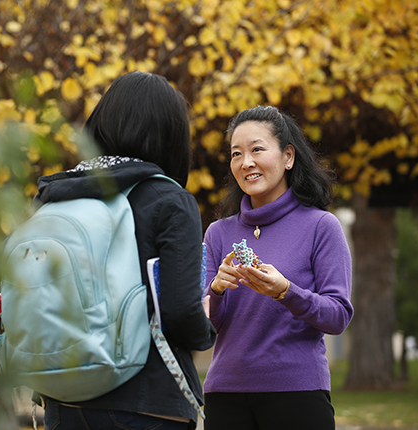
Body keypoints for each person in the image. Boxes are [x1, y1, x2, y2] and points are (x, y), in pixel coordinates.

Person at [34, 71, 217, 429]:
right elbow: (179, 312)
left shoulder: (55, 195)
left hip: (63, 398)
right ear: (170, 135)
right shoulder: (170, 201)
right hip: (146, 401)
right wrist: (205, 326)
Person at [202, 105, 354, 430]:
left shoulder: (321, 226)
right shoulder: (218, 233)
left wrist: (286, 291)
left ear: (288, 156)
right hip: (225, 394)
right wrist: (216, 289)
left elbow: (338, 315)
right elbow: (206, 326)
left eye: (257, 149)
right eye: (236, 154)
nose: (246, 162)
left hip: (297, 392)